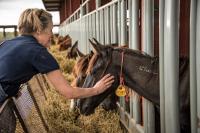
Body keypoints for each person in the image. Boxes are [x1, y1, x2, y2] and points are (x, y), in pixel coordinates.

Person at [0, 8, 114, 132]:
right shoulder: (38, 52)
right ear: (39, 30)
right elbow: (68, 92)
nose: (52, 35)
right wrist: (96, 89)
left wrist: (13, 87)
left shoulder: (7, 43)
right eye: (50, 29)